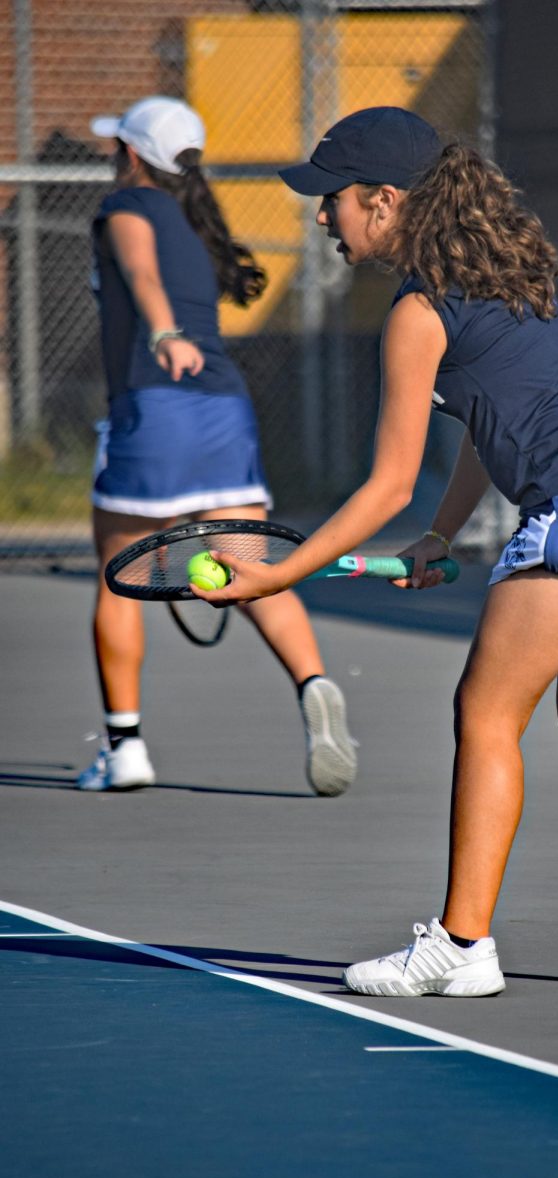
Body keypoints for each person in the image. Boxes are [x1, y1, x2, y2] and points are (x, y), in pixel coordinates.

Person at [199, 106, 558, 994]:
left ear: (383, 202)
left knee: (486, 715)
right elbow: (488, 427)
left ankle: (460, 948)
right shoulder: (505, 274)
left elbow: (383, 484)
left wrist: (281, 574)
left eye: (330, 200)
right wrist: (441, 533)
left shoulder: (419, 313)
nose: (321, 217)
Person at [79, 95, 357, 798]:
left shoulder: (126, 210)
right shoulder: (199, 223)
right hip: (225, 413)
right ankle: (315, 683)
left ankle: (124, 747)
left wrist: (164, 333)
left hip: (155, 405)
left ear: (132, 154)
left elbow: (140, 276)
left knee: (117, 576)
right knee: (252, 568)